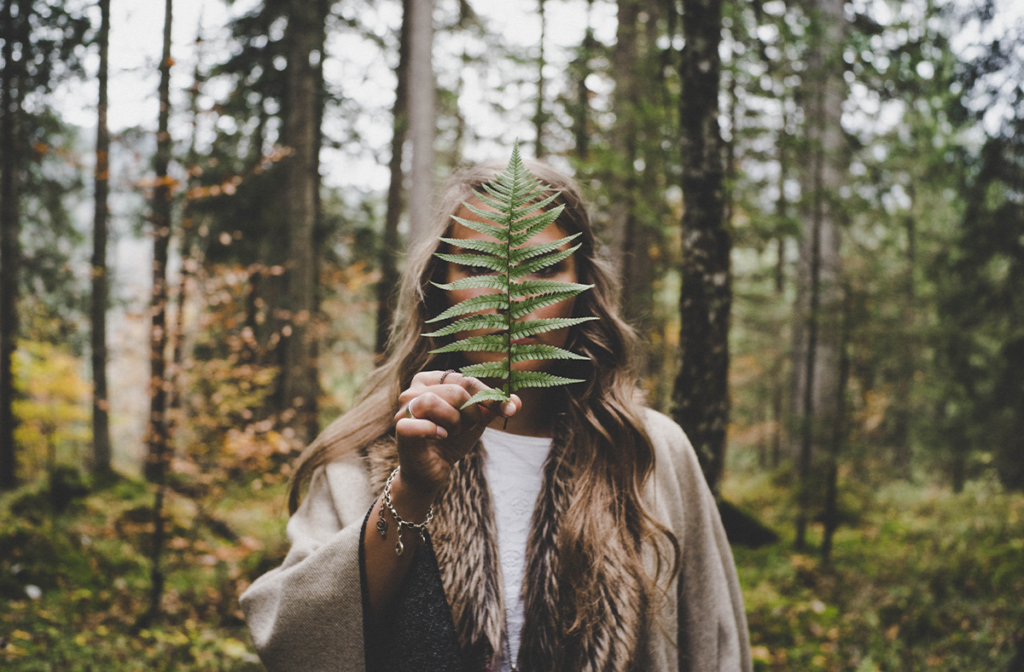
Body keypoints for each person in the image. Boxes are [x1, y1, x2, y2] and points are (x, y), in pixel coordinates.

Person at [240, 161, 752, 672]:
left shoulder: (649, 450)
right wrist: (411, 490)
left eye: (546, 269)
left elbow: (716, 646)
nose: (514, 296)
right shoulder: (368, 449)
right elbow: (295, 643)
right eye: (481, 268)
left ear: (583, 287)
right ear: (439, 284)